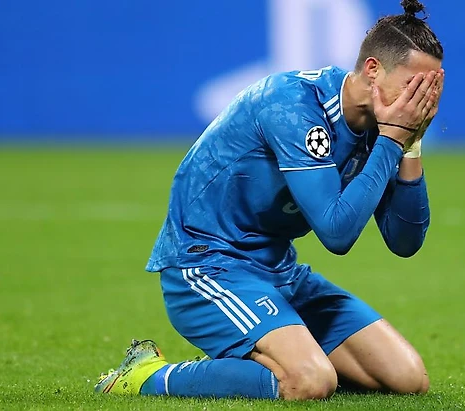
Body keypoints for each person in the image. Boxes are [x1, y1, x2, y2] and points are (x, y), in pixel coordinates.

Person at [95, 0, 444, 400]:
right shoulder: (293, 104)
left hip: (279, 272)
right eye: (414, 85)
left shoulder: (383, 128)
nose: (422, 99)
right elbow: (336, 233)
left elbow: (404, 242)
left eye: (432, 87)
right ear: (372, 69)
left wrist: (410, 145)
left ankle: (280, 351)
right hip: (207, 265)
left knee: (407, 379)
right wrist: (392, 141)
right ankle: (149, 375)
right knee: (308, 381)